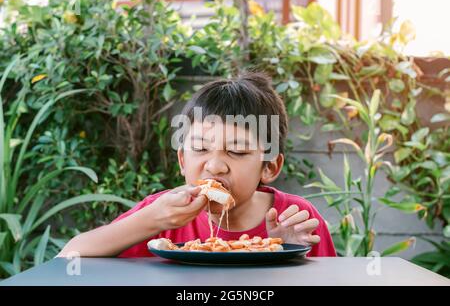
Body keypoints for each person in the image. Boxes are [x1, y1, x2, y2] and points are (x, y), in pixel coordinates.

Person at [58, 72, 336, 258]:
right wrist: (152, 220)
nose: (215, 166)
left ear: (269, 167)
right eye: (201, 148)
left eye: (237, 151)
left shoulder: (294, 218)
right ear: (182, 159)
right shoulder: (161, 214)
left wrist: (287, 252)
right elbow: (70, 258)